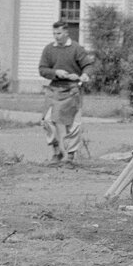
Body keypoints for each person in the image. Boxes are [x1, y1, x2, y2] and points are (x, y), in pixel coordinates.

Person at [37, 16, 91, 163]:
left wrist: (85, 74)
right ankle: (56, 150)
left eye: (59, 33)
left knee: (74, 124)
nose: (56, 36)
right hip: (54, 89)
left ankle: (70, 156)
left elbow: (87, 65)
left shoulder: (76, 49)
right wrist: (56, 73)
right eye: (54, 33)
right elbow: (42, 69)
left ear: (66, 33)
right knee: (47, 120)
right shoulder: (49, 49)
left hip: (73, 89)